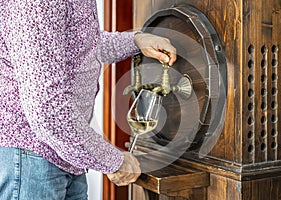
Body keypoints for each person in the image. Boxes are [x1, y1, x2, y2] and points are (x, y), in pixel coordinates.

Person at [0, 0, 176, 199]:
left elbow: (79, 44)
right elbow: (48, 109)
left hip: (66, 152)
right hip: (32, 160)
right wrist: (112, 160)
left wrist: (136, 41)